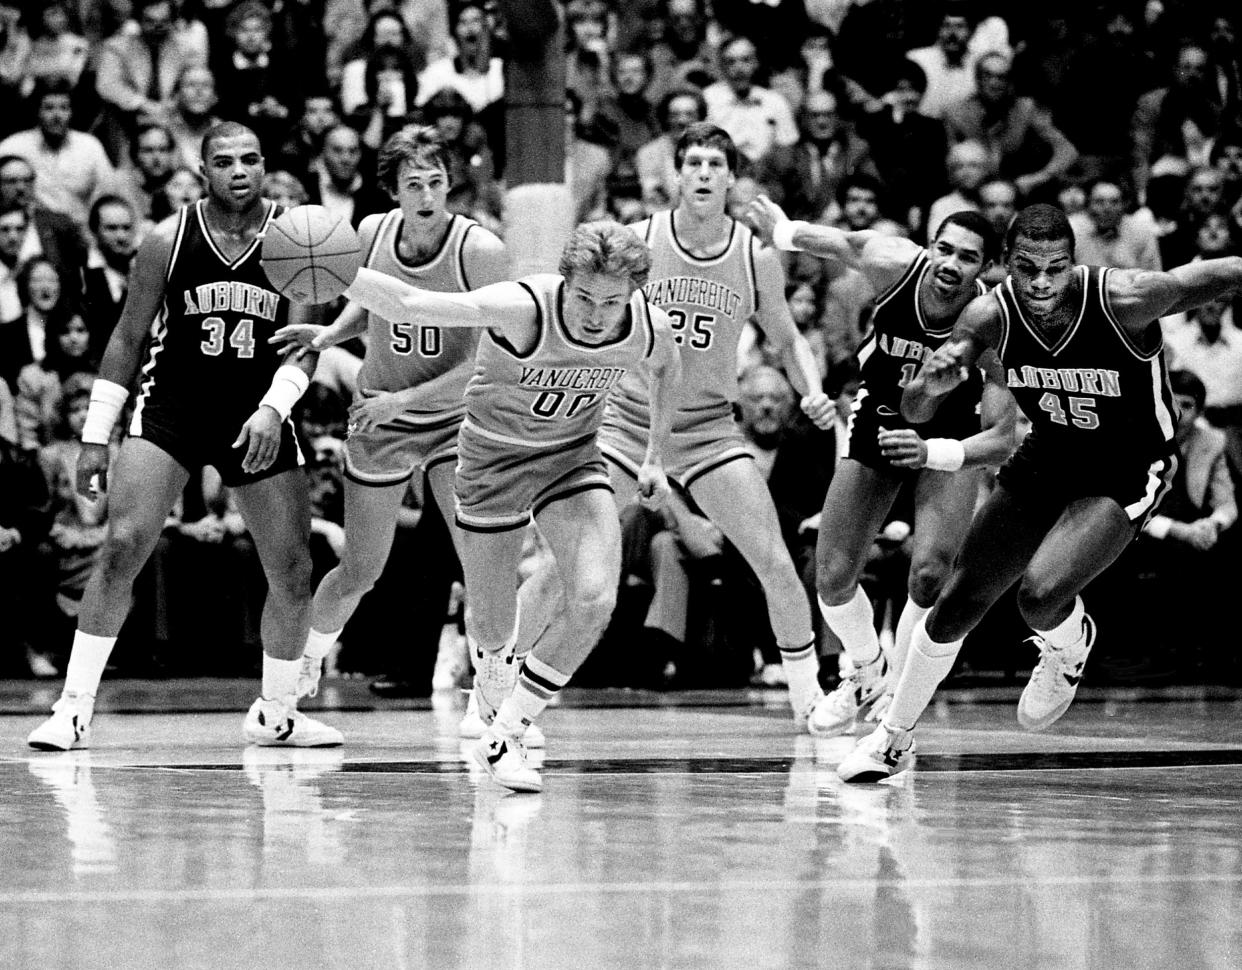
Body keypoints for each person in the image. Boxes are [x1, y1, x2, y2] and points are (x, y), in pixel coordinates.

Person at [838, 204, 1242, 783]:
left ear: (1073, 264)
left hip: (1127, 466)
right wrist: (931, 384)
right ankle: (892, 739)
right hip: (1049, 454)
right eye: (1028, 269)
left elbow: (1224, 272)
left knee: (1038, 593)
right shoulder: (987, 317)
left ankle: (1068, 642)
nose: (1043, 282)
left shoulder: (1127, 298)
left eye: (1056, 268)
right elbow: (915, 409)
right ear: (1006, 265)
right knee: (953, 602)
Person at [26, 121, 341, 751]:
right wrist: (95, 436)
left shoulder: (296, 240)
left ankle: (277, 712)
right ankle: (73, 707)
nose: (241, 171)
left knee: (293, 567)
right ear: (203, 171)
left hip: (258, 411)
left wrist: (274, 411)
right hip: (172, 406)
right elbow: (124, 338)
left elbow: (304, 350)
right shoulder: (167, 240)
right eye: (225, 161)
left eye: (251, 159)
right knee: (123, 544)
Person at [338, 220, 682, 792]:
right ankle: (492, 683)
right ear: (564, 282)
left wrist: (655, 456)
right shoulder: (523, 307)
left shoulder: (646, 323)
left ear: (634, 295)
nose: (597, 314)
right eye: (585, 297)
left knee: (596, 598)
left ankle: (508, 731)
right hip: (492, 464)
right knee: (495, 633)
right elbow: (413, 300)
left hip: (570, 459)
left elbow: (668, 367)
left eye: (612, 301)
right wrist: (335, 269)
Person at [585, 123, 835, 728]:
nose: (701, 172)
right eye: (692, 162)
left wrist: (816, 392)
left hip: (706, 428)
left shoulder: (754, 257)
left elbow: (787, 337)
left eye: (714, 164)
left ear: (730, 179)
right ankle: (500, 677)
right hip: (630, 421)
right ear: (676, 174)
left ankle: (809, 699)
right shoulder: (638, 241)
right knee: (577, 560)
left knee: (775, 560)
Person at [748, 195, 1013, 736]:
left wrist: (948, 449)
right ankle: (867, 669)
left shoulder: (992, 321)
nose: (949, 263)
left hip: (950, 431)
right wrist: (783, 231)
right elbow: (842, 244)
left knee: (932, 570)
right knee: (833, 577)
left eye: (966, 257)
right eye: (943, 249)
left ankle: (898, 699)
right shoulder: (895, 261)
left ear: (985, 269)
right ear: (928, 248)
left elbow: (1003, 433)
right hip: (881, 419)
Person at [267, 125, 507, 707]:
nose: (427, 195)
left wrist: (406, 401)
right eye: (413, 183)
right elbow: (367, 302)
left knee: (481, 562)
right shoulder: (372, 233)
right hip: (383, 415)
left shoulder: (481, 250)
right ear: (392, 190)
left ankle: (498, 695)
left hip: (453, 418)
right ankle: (303, 667)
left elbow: (489, 357)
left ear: (451, 184)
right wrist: (330, 334)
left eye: (436, 182)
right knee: (360, 570)